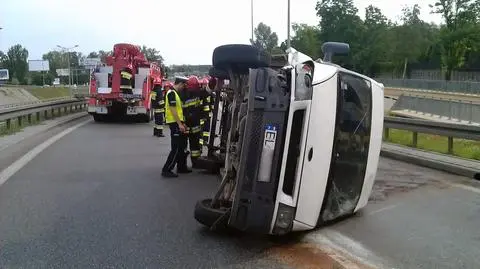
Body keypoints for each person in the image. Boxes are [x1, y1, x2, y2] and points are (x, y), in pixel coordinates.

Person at [161, 76, 191, 178]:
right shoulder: (172, 93)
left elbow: (178, 111)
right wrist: (179, 124)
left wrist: (182, 123)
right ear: (180, 83)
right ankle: (167, 169)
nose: (184, 88)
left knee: (182, 146)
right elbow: (173, 109)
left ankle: (181, 167)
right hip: (174, 123)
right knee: (176, 147)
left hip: (177, 122)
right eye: (184, 85)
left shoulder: (175, 94)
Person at [182, 76, 203, 168]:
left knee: (184, 145)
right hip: (193, 125)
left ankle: (182, 164)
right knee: (194, 145)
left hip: (186, 124)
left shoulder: (182, 94)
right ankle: (195, 163)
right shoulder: (198, 93)